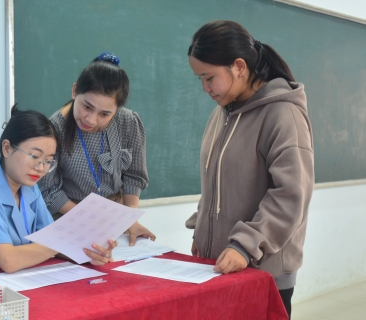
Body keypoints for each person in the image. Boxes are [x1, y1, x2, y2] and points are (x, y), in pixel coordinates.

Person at [185, 20, 314, 318]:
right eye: (199, 79)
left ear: (239, 66)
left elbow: (290, 196)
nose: (205, 89)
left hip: (261, 273)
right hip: (219, 268)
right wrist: (202, 232)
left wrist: (244, 246)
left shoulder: (283, 114)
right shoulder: (223, 114)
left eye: (209, 78)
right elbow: (217, 184)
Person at [0, 106, 116, 273]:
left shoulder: (30, 189)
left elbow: (52, 241)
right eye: (34, 156)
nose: (41, 168)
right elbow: (9, 261)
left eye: (48, 160)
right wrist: (62, 242)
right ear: (7, 148)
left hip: (10, 281)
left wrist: (89, 252)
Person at [39, 52, 155, 246]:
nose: (91, 119)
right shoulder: (55, 127)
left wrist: (130, 219)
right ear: (75, 91)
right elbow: (48, 189)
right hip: (69, 215)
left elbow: (134, 176)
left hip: (116, 217)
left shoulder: (128, 122)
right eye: (87, 107)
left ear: (117, 110)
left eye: (104, 114)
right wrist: (88, 219)